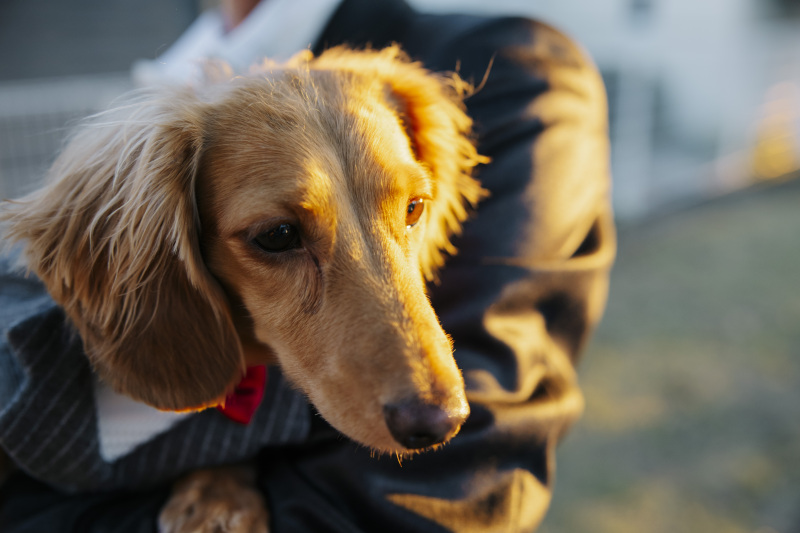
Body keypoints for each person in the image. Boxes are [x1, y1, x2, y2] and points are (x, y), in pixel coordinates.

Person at [0, 0, 615, 531]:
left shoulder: (506, 72)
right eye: (279, 237)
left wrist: (226, 469)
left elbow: (453, 491)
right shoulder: (158, 135)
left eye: (411, 208)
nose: (435, 393)